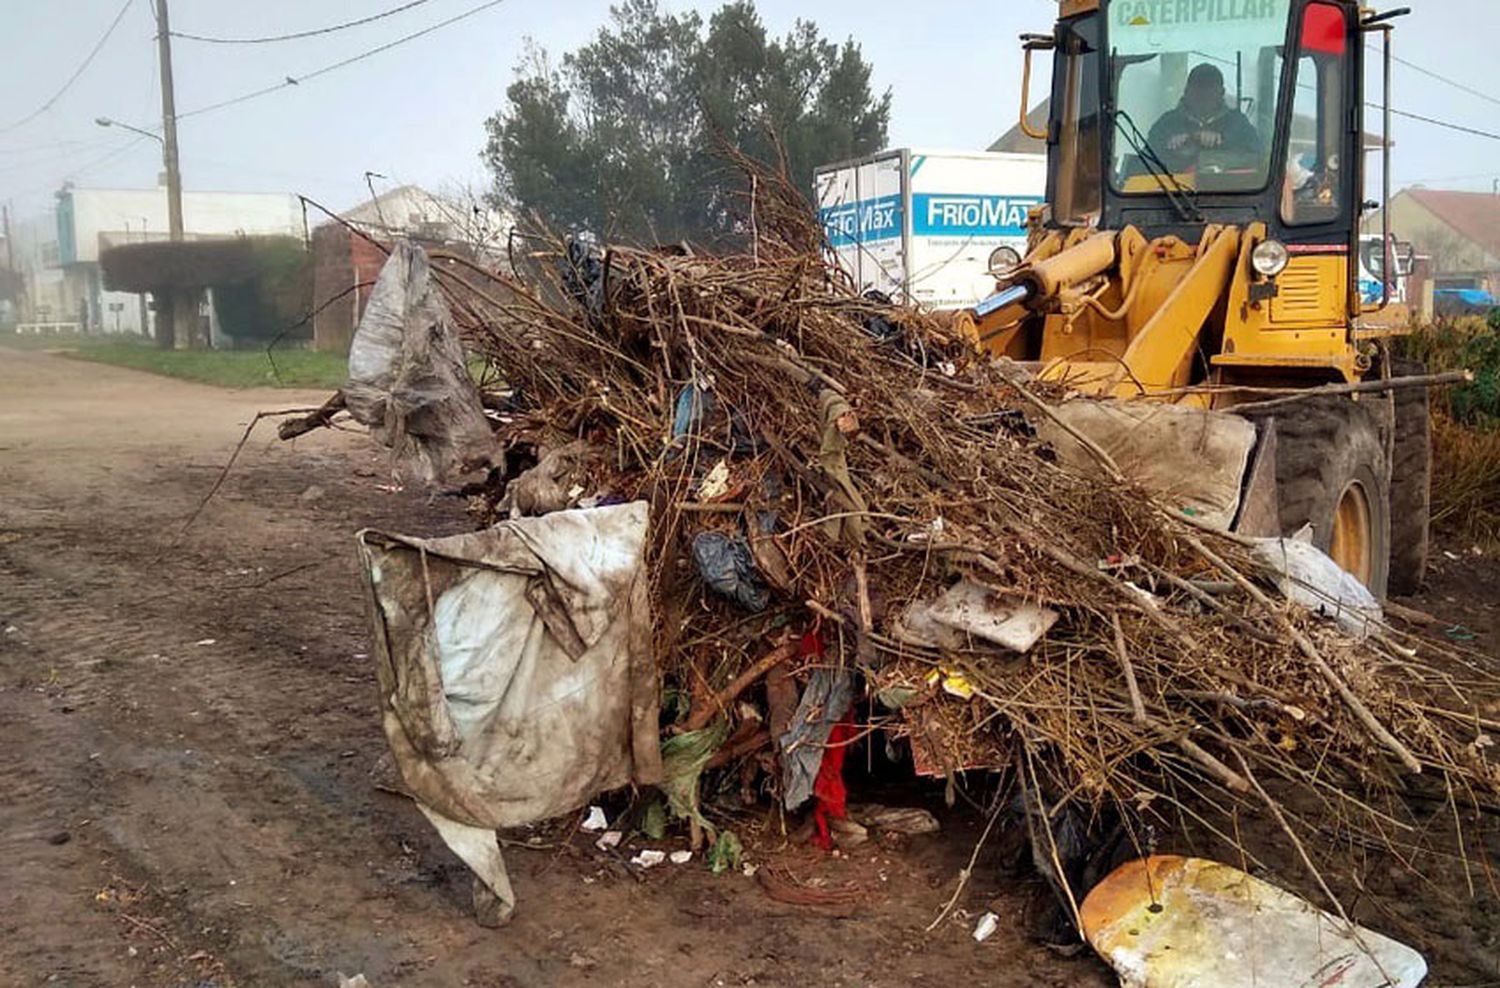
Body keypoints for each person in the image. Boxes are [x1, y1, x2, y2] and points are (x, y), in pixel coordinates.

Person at [1147, 63, 1262, 172]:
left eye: (1209, 88)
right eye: (1198, 87)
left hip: (1232, 190)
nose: (1203, 94)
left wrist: (1222, 143)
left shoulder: (1238, 123)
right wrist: (1171, 147)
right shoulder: (1167, 123)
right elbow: (1145, 163)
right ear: (1186, 91)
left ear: (1221, 93)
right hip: (1171, 191)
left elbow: (1257, 158)